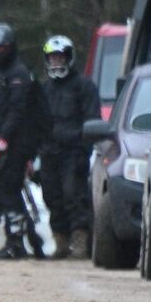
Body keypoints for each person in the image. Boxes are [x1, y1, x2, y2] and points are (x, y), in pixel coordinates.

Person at [0, 22, 45, 258]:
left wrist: (3, 140)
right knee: (7, 190)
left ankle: (16, 244)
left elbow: (17, 112)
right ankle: (30, 241)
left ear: (8, 47)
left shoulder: (18, 74)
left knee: (8, 189)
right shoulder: (1, 76)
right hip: (7, 138)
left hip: (19, 142)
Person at [36, 34, 101, 258]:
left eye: (60, 58)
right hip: (48, 152)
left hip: (74, 152)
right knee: (52, 196)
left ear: (69, 58)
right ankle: (60, 242)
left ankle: (80, 242)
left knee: (74, 195)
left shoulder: (84, 87)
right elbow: (35, 122)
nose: (56, 63)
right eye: (52, 58)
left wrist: (84, 148)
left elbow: (92, 119)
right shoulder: (43, 90)